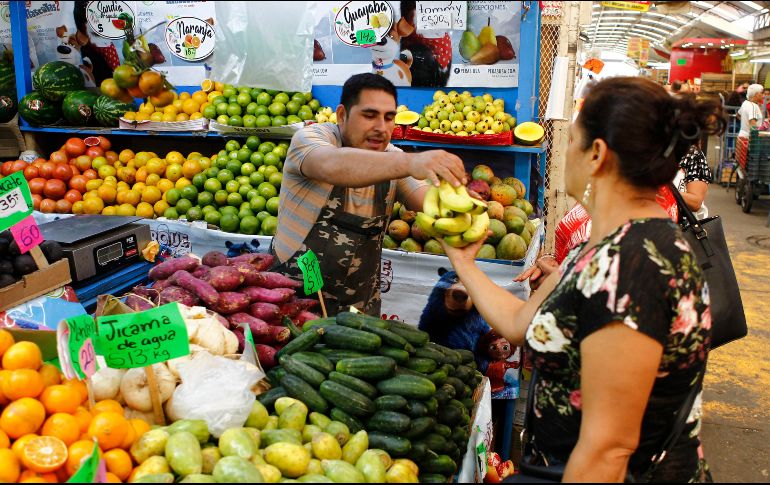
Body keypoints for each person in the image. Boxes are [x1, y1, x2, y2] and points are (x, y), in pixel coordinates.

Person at [442, 77, 723, 482]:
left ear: (596, 154)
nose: (565, 150)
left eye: (571, 139)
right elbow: (523, 325)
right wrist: (466, 265)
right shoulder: (601, 244)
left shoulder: (630, 265)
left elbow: (609, 449)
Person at [270, 73, 466, 316]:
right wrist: (411, 161)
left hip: (359, 312)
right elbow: (331, 165)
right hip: (294, 302)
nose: (381, 128)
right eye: (369, 115)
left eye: (389, 117)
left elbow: (425, 198)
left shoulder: (394, 160)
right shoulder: (310, 140)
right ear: (342, 115)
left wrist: (462, 208)